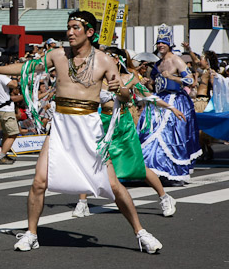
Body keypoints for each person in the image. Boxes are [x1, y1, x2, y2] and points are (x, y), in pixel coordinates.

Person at [0, 10, 163, 254]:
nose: (69, 32)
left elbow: (125, 96)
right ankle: (31, 233)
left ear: (90, 33)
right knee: (39, 181)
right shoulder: (58, 55)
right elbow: (27, 68)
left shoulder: (105, 60)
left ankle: (140, 232)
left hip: (90, 126)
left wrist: (120, 90)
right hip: (61, 124)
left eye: (75, 27)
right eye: (68, 27)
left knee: (113, 186)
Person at [72, 47, 180, 219]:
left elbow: (148, 96)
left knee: (138, 167)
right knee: (91, 161)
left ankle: (165, 197)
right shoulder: (97, 78)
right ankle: (82, 203)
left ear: (117, 61)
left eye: (107, 57)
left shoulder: (129, 78)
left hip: (123, 125)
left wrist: (171, 107)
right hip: (102, 123)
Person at [137, 25, 200, 186]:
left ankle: (173, 172)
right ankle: (156, 170)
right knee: (151, 135)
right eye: (158, 43)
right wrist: (146, 82)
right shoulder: (157, 63)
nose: (160, 45)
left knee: (170, 136)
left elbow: (191, 80)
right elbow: (154, 85)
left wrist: (173, 77)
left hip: (175, 100)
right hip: (159, 100)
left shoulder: (176, 60)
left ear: (169, 44)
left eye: (163, 42)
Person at [0, 56, 20, 165]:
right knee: (13, 133)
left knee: (7, 134)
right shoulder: (1, 75)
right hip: (6, 109)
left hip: (0, 108)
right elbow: (14, 84)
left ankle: (4, 155)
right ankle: (1, 156)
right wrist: (15, 77)